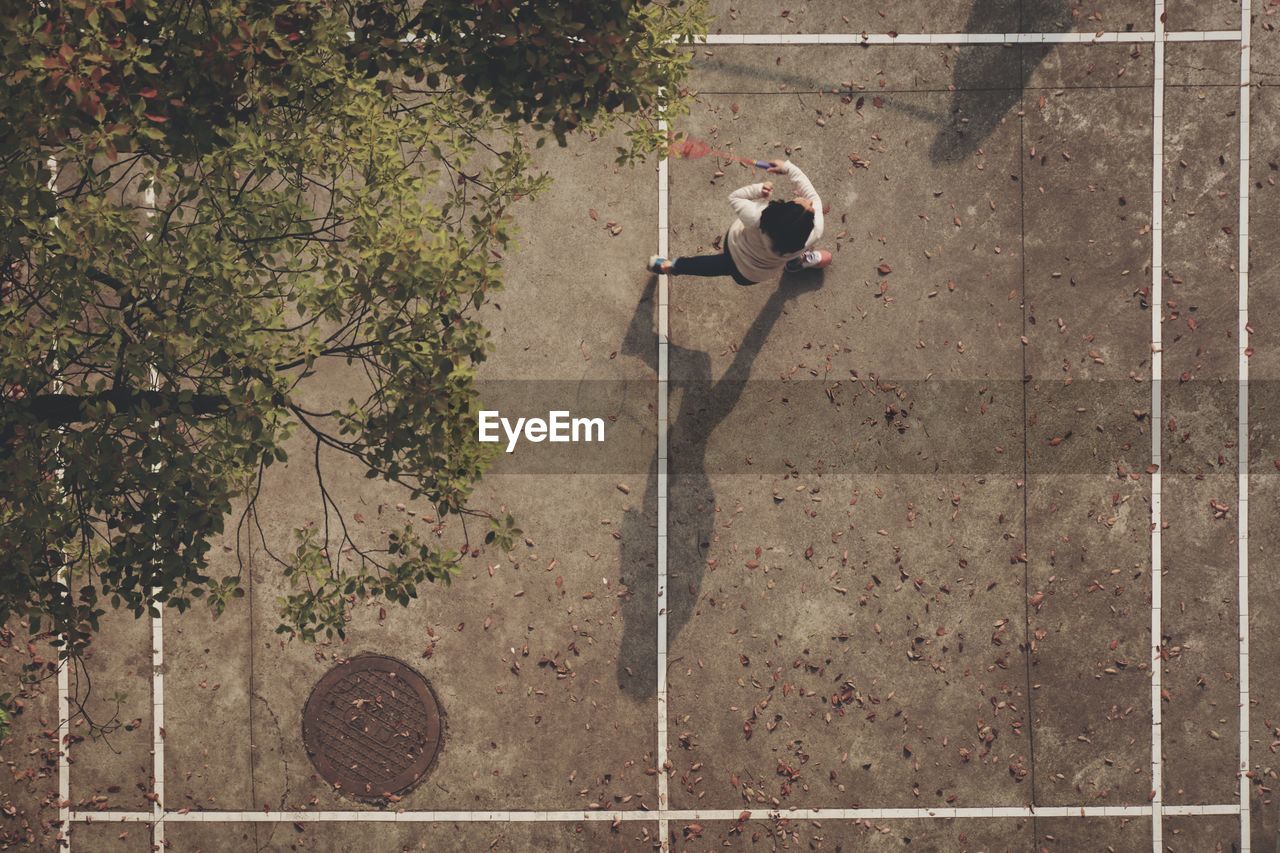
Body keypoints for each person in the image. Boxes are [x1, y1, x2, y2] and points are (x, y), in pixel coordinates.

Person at [648, 159, 831, 284]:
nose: (811, 205)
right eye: (811, 208)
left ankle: (668, 266)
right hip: (752, 274)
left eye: (803, 204)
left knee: (715, 265)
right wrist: (789, 169)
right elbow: (814, 197)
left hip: (735, 246)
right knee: (801, 252)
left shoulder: (756, 216)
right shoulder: (815, 231)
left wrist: (760, 190)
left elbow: (735, 197)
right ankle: (794, 261)